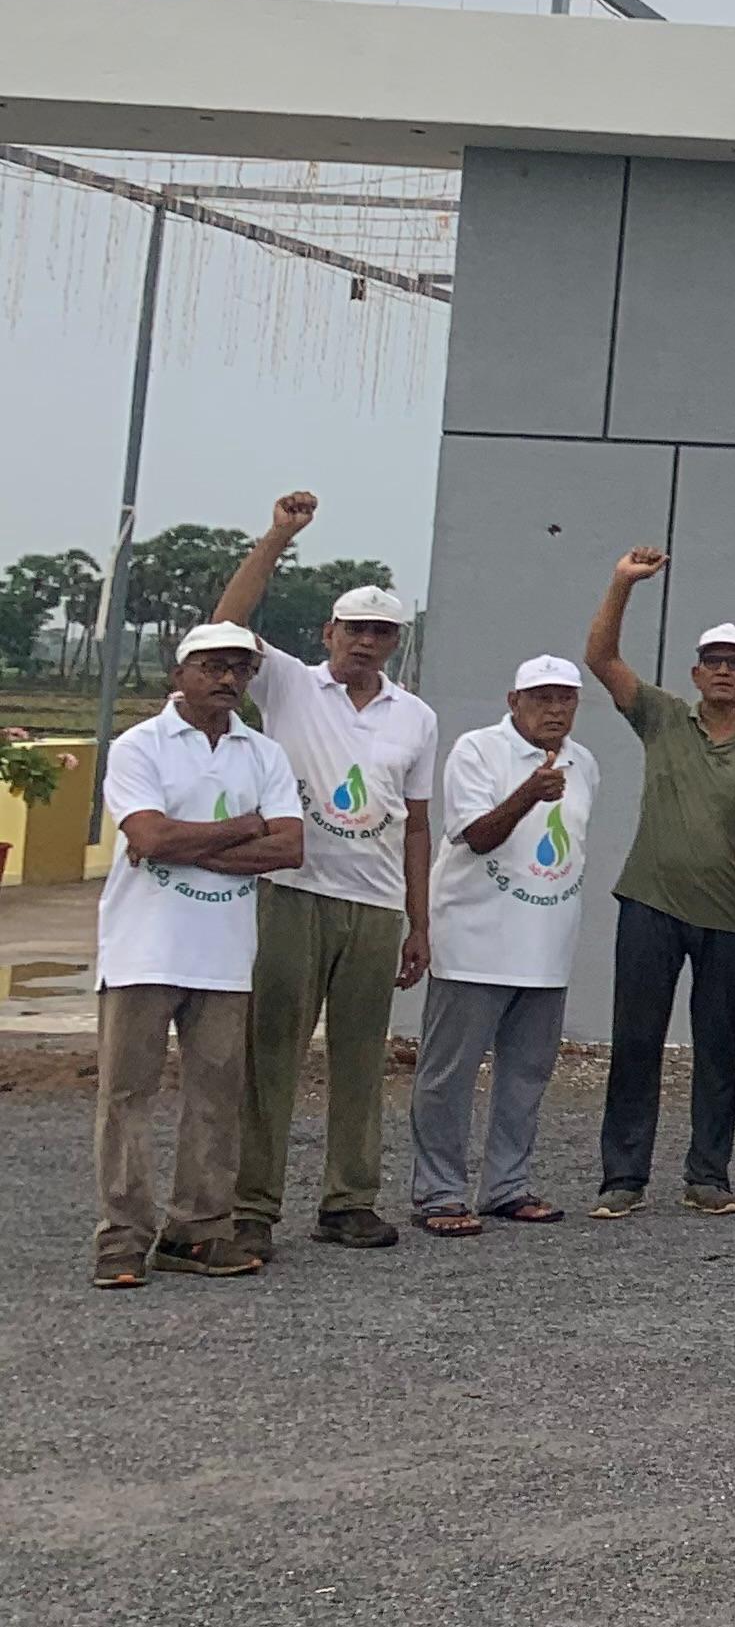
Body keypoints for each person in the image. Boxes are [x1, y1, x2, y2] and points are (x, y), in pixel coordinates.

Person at [214, 492, 440, 1258]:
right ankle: (252, 1206)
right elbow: (228, 624)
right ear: (328, 632)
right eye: (355, 629)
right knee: (271, 1054)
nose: (367, 642)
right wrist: (278, 536)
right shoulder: (288, 684)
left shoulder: (415, 716)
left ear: (397, 640)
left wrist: (419, 921)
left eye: (382, 632)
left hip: (373, 905)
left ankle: (349, 1200)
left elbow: (416, 823)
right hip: (293, 893)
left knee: (360, 1059)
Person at [583, 547, 735, 1221]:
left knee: (717, 1049)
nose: (724, 671)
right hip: (649, 903)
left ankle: (708, 1175)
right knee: (636, 1042)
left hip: (732, 917)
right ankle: (624, 1177)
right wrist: (623, 582)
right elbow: (600, 658)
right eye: (713, 661)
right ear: (696, 673)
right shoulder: (661, 715)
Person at [90, 624, 303, 1287]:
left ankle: (198, 1231)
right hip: (143, 950)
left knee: (216, 1098)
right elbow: (149, 835)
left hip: (224, 955)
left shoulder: (263, 753)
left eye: (241, 669)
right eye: (213, 666)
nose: (228, 679)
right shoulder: (139, 747)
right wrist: (244, 826)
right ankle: (122, 1238)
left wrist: (187, 844)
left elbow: (290, 848)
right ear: (179, 673)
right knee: (128, 1098)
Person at [412, 656, 600, 1237]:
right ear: (514, 701)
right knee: (449, 1075)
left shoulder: (584, 763)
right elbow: (476, 835)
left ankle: (506, 1186)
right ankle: (439, 1193)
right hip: (475, 943)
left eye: (565, 699)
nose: (555, 710)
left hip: (545, 947)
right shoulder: (477, 750)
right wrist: (528, 794)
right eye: (541, 698)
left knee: (526, 1075)